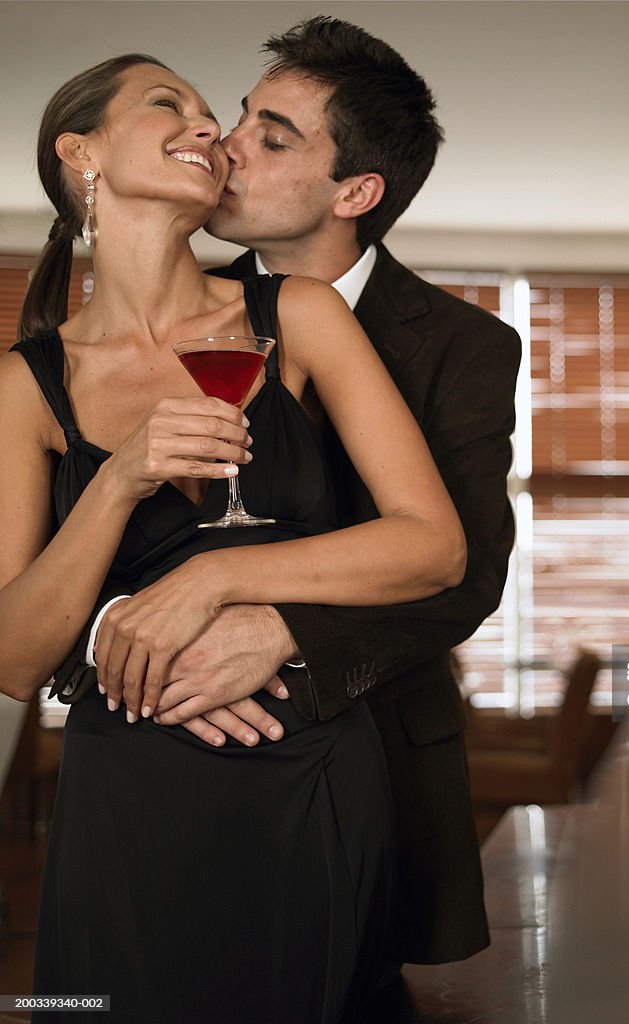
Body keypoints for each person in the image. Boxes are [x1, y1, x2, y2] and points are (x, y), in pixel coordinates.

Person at [3, 53, 469, 1023]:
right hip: (120, 791)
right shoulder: (21, 385)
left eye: (217, 116)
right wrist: (120, 479)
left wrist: (209, 584)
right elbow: (13, 658)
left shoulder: (292, 315)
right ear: (80, 153)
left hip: (303, 766)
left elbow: (434, 547)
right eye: (170, 104)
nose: (208, 127)